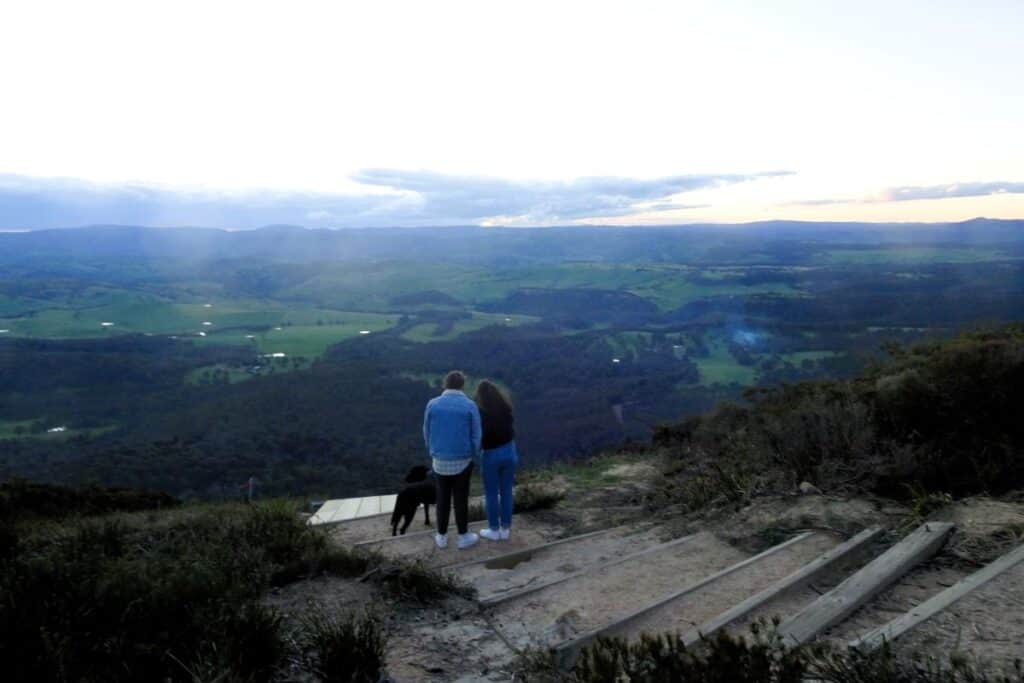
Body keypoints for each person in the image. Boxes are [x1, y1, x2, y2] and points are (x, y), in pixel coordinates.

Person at [422, 370, 480, 550]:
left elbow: (426, 431)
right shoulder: (469, 405)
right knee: (461, 499)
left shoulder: (433, 404)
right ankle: (463, 537)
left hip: (439, 460)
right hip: (462, 460)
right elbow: (476, 435)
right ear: (462, 385)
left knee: (442, 498)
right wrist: (473, 454)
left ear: (445, 384)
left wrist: (433, 451)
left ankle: (441, 536)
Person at [473, 379, 518, 541]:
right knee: (507, 491)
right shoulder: (506, 408)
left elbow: (478, 437)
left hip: (491, 454)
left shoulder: (480, 413)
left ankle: (493, 529)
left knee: (491, 493)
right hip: (510, 451)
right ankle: (505, 529)